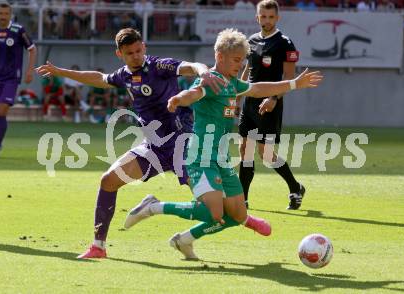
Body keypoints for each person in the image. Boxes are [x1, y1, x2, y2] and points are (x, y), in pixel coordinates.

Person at [125, 28, 322, 260]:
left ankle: (184, 240)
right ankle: (153, 207)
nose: (240, 65)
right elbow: (195, 92)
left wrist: (292, 84)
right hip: (201, 157)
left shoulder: (232, 83)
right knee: (214, 213)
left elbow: (258, 88)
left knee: (238, 215)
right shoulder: (211, 81)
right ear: (220, 57)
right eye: (236, 60)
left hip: (222, 159)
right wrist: (179, 99)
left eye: (242, 60)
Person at [35, 28, 227, 259]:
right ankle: (98, 246)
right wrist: (60, 71)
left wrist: (204, 72)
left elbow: (191, 65)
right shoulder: (123, 75)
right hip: (153, 148)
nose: (136, 56)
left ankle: (180, 234)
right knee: (108, 181)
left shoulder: (159, 66)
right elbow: (98, 78)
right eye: (130, 53)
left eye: (138, 50)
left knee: (213, 209)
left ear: (144, 47)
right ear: (120, 54)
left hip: (182, 145)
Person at [237, 0, 305, 210]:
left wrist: (274, 98)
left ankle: (295, 187)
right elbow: (248, 70)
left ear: (277, 18)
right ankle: (243, 200)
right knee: (244, 149)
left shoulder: (285, 43)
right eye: (263, 16)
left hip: (270, 103)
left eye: (270, 17)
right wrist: (237, 95)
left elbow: (289, 78)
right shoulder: (251, 40)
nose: (266, 20)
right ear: (257, 17)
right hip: (250, 101)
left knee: (265, 154)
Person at [0, 2, 36, 159]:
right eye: (1, 14)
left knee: (1, 111)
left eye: (6, 14)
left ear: (10, 15)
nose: (3, 16)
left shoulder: (18, 31)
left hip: (11, 79)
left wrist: (29, 71)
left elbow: (32, 49)